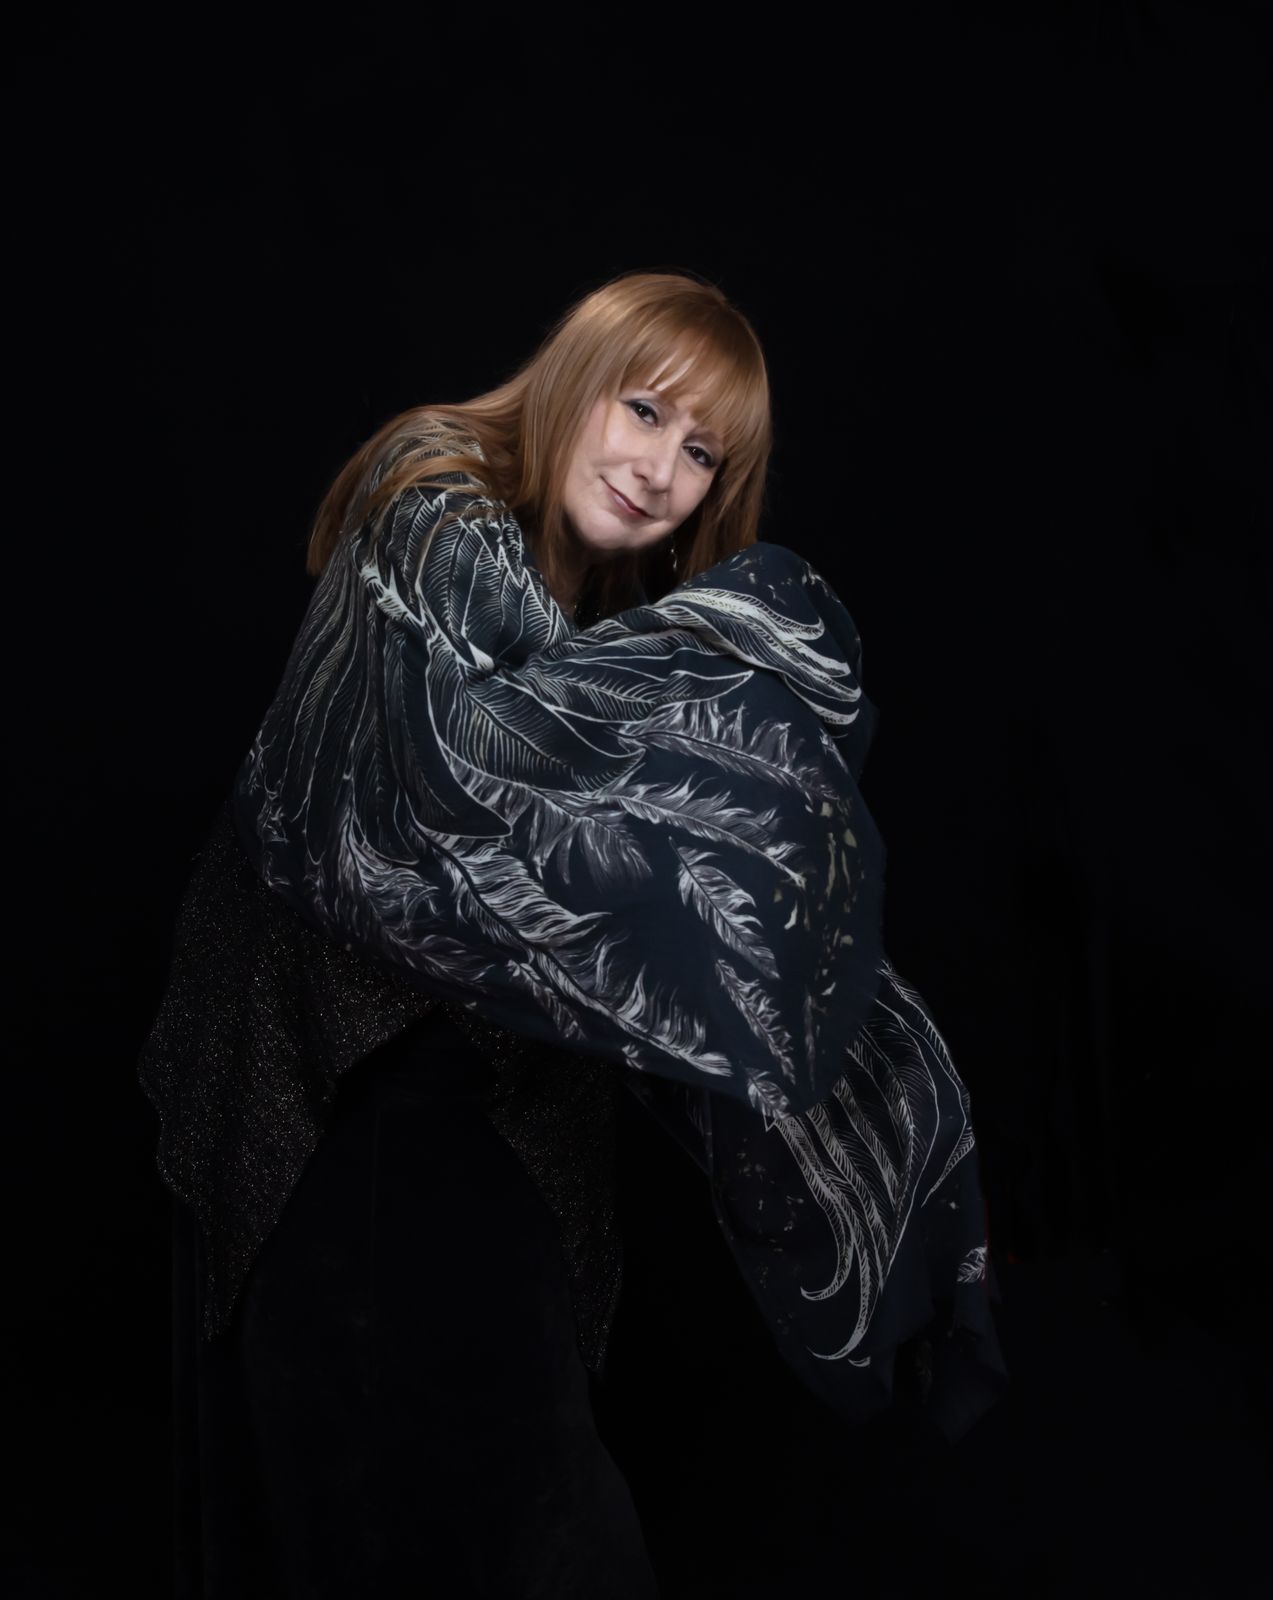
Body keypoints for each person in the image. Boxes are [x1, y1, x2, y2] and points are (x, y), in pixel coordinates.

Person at [138, 268, 1009, 1598]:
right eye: (644, 411)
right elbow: (424, 816)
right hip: (339, 1112)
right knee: (452, 1523)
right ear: (573, 382)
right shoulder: (427, 511)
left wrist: (886, 1113)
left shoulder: (619, 621)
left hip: (503, 1131)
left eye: (703, 453)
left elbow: (684, 886)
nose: (661, 471)